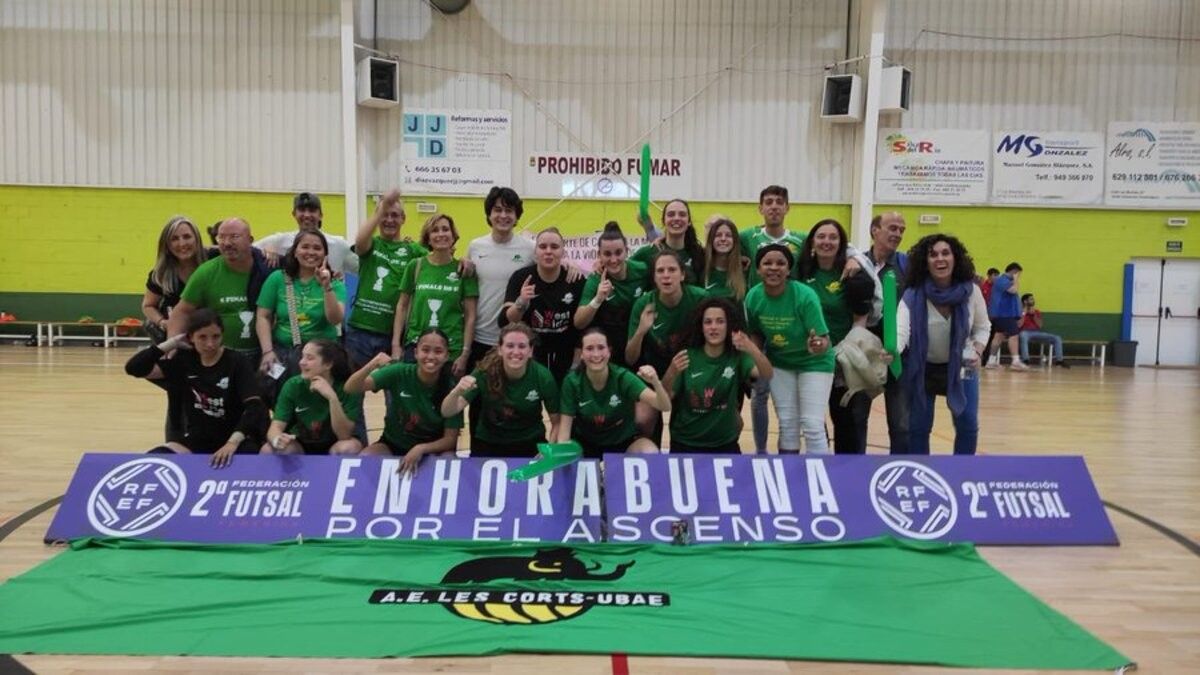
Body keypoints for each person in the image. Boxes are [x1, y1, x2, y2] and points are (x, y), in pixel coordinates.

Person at [125, 309, 266, 467]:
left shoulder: (237, 362)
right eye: (202, 337)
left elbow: (254, 407)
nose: (210, 344)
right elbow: (134, 368)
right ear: (190, 337)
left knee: (246, 462)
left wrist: (232, 443)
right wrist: (171, 343)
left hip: (237, 440)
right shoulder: (184, 361)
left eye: (216, 336)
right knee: (156, 459)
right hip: (198, 440)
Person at [898, 234, 991, 455]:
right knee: (918, 427)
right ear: (925, 262)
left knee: (968, 425)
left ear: (955, 258)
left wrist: (977, 350)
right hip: (922, 368)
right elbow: (901, 330)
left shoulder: (972, 292)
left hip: (961, 367)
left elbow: (983, 326)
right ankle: (921, 474)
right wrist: (892, 350)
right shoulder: (913, 295)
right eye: (933, 255)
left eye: (945, 253)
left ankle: (962, 472)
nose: (940, 259)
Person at [797, 219, 880, 454]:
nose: (827, 242)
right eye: (821, 236)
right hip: (809, 357)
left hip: (843, 359)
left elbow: (862, 315)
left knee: (845, 419)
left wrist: (845, 349)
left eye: (833, 237)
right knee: (813, 421)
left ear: (841, 243)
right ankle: (820, 467)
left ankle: (846, 473)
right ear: (812, 241)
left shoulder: (852, 273)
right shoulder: (801, 271)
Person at [744, 244, 834, 454]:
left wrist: (818, 345)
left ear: (788, 269)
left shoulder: (805, 295)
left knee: (812, 425)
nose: (774, 268)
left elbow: (823, 340)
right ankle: (789, 478)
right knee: (787, 424)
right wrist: (753, 359)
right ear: (758, 270)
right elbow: (755, 334)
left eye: (780, 263)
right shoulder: (753, 297)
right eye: (767, 263)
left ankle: (819, 478)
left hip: (815, 363)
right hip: (781, 364)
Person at [663, 298, 772, 453]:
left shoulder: (737, 356)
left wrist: (751, 347)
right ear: (701, 327)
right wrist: (670, 372)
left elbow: (767, 374)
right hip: (686, 443)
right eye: (708, 322)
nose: (713, 327)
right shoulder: (687, 356)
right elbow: (665, 400)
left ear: (729, 327)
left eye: (720, 321)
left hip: (724, 444)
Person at [345, 330, 462, 473]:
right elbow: (351, 388)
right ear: (415, 353)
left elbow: (450, 440)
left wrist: (421, 448)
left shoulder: (452, 388)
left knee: (450, 462)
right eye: (425, 350)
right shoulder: (399, 372)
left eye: (438, 351)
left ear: (446, 356)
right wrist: (372, 364)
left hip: (433, 448)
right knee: (365, 459)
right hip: (392, 444)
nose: (431, 356)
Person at [440, 323, 560, 457]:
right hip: (489, 442)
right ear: (500, 349)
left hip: (530, 442)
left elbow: (557, 423)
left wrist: (549, 448)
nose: (516, 352)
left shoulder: (543, 377)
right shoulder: (484, 372)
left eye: (522, 346)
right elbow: (447, 411)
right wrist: (457, 391)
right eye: (510, 346)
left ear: (530, 351)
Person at [141, 215, 210, 442]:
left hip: (208, 343)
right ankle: (175, 444)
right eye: (175, 239)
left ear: (197, 239)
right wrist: (163, 323)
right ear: (167, 245)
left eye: (187, 236)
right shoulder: (161, 274)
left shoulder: (212, 260)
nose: (182, 243)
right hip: (178, 344)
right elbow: (148, 306)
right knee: (177, 392)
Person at [555, 328, 671, 457]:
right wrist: (560, 454)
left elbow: (665, 406)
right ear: (581, 354)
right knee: (564, 452)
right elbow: (563, 435)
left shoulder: (623, 377)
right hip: (585, 445)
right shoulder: (572, 382)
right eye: (589, 348)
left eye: (601, 348)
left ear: (609, 352)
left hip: (623, 444)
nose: (596, 354)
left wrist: (655, 382)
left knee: (650, 451)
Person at [345, 190, 427, 370]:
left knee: (394, 396)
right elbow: (359, 241)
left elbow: (440, 261)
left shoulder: (413, 251)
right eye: (385, 215)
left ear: (403, 219)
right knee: (353, 391)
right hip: (360, 331)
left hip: (393, 336)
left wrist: (465, 262)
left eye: (395, 215)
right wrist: (380, 208)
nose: (389, 220)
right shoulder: (372, 244)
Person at [170, 217, 273, 361]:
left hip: (263, 355)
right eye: (221, 237)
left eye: (234, 237)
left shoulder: (269, 268)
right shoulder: (206, 272)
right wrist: (171, 347)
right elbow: (181, 312)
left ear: (250, 240)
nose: (227, 243)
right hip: (221, 357)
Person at [393, 213, 478, 375]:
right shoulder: (415, 266)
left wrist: (465, 354)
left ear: (453, 236)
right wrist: (396, 344)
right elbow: (402, 306)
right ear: (428, 238)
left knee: (445, 399)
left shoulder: (464, 270)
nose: (441, 234)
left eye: (445, 229)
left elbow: (471, 315)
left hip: (451, 350)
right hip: (417, 346)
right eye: (435, 230)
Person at [255, 230, 347, 381]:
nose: (311, 252)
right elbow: (263, 316)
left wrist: (326, 286)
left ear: (325, 255)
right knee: (277, 395)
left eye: (317, 248)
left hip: (321, 358)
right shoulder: (277, 279)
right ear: (295, 252)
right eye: (305, 247)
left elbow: (335, 319)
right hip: (284, 353)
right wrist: (267, 351)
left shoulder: (335, 285)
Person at [500, 228, 584, 383]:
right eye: (543, 247)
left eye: (554, 247)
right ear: (535, 252)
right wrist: (521, 302)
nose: (548, 251)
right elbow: (504, 321)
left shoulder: (576, 279)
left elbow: (583, 326)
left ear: (563, 252)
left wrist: (576, 361)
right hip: (529, 355)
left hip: (564, 354)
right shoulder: (521, 278)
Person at [261, 339, 363, 455]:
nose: (301, 362)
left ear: (328, 364)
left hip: (334, 444)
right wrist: (277, 439)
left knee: (350, 447)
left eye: (309, 358)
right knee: (268, 450)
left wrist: (332, 398)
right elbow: (275, 427)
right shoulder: (293, 385)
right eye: (302, 357)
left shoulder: (347, 387)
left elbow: (344, 435)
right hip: (301, 444)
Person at [573, 221, 652, 367]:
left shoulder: (643, 270)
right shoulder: (596, 279)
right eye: (607, 254)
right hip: (607, 351)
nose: (613, 259)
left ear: (627, 251)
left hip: (637, 346)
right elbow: (579, 322)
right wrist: (598, 299)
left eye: (618, 253)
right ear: (599, 255)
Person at [863, 212, 910, 454]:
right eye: (892, 228)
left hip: (898, 357)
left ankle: (899, 468)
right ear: (874, 230)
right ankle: (854, 471)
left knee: (901, 423)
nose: (898, 234)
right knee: (856, 419)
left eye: (902, 230)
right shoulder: (858, 262)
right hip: (864, 355)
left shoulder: (908, 266)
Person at [254, 192, 359, 274]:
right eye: (302, 210)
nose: (307, 215)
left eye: (312, 210)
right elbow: (247, 250)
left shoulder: (339, 245)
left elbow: (365, 270)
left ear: (321, 215)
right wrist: (267, 249)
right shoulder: (280, 242)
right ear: (294, 214)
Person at [629, 199, 705, 284]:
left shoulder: (699, 254)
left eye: (682, 214)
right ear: (663, 221)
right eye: (671, 214)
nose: (676, 218)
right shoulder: (647, 253)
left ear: (689, 222)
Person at [986, 263, 1027, 370]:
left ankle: (991, 361)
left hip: (1004, 314)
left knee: (998, 336)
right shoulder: (1002, 280)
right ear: (1014, 271)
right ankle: (1015, 361)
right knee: (1014, 334)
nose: (1019, 276)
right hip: (1004, 314)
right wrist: (1016, 279)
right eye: (1018, 273)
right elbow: (1013, 290)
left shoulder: (1006, 281)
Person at [701, 218, 748, 301]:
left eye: (728, 235)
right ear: (711, 240)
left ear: (735, 241)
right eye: (718, 235)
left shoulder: (744, 271)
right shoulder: (701, 269)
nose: (723, 239)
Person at [1019, 293, 1070, 368]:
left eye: (1033, 299)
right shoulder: (1019, 311)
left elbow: (1040, 325)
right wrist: (1024, 313)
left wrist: (1033, 315)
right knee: (1023, 335)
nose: (1033, 301)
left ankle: (1059, 361)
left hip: (1036, 332)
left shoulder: (1036, 312)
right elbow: (1019, 325)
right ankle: (1025, 360)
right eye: (1031, 299)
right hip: (1025, 332)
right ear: (1025, 302)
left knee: (1057, 338)